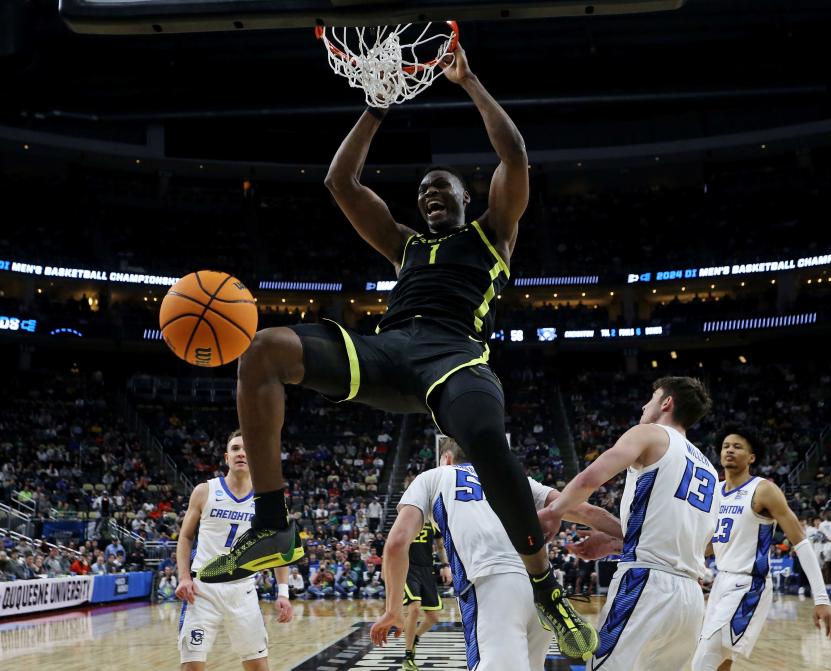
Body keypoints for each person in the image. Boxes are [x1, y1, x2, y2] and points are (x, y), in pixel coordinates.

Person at [197, 43, 595, 659]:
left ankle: (543, 585)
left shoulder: (493, 234)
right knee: (262, 350)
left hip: (456, 355)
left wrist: (468, 80)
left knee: (488, 441)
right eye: (425, 190)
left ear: (468, 200)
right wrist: (377, 105)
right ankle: (273, 525)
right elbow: (340, 181)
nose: (432, 194)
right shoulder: (404, 246)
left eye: (444, 188)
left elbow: (514, 154)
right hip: (388, 352)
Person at [372, 438, 620, 669]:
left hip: (490, 584)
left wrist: (393, 610)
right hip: (542, 586)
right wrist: (634, 539)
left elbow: (397, 543)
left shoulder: (434, 476)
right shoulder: (516, 478)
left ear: (446, 458)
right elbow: (587, 513)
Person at [538, 377, 719, 671]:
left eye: (652, 397)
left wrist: (555, 510)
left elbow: (590, 479)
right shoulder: (710, 471)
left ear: (666, 402)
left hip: (646, 583)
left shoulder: (649, 434)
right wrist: (618, 543)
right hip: (691, 599)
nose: (645, 405)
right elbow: (705, 545)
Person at [691, 428, 831, 671]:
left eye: (738, 446)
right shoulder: (715, 492)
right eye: (726, 445)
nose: (729, 449)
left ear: (752, 457)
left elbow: (800, 540)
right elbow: (710, 545)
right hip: (721, 583)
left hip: (750, 585)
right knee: (721, 660)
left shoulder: (763, 490)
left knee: (704, 659)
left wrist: (821, 599)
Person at [175, 430, 293, 670]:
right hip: (202, 589)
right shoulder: (204, 491)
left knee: (258, 666)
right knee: (192, 666)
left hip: (243, 591)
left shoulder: (270, 501)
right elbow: (185, 537)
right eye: (236, 449)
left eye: (247, 449)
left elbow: (281, 549)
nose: (242, 454)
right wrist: (184, 577)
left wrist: (283, 593)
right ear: (227, 457)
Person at [400, 518, 452, 670]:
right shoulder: (405, 517)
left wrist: (445, 565)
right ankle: (408, 656)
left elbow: (440, 546)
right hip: (408, 569)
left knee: (433, 617)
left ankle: (414, 636)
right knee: (414, 608)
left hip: (427, 570)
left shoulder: (432, 522)